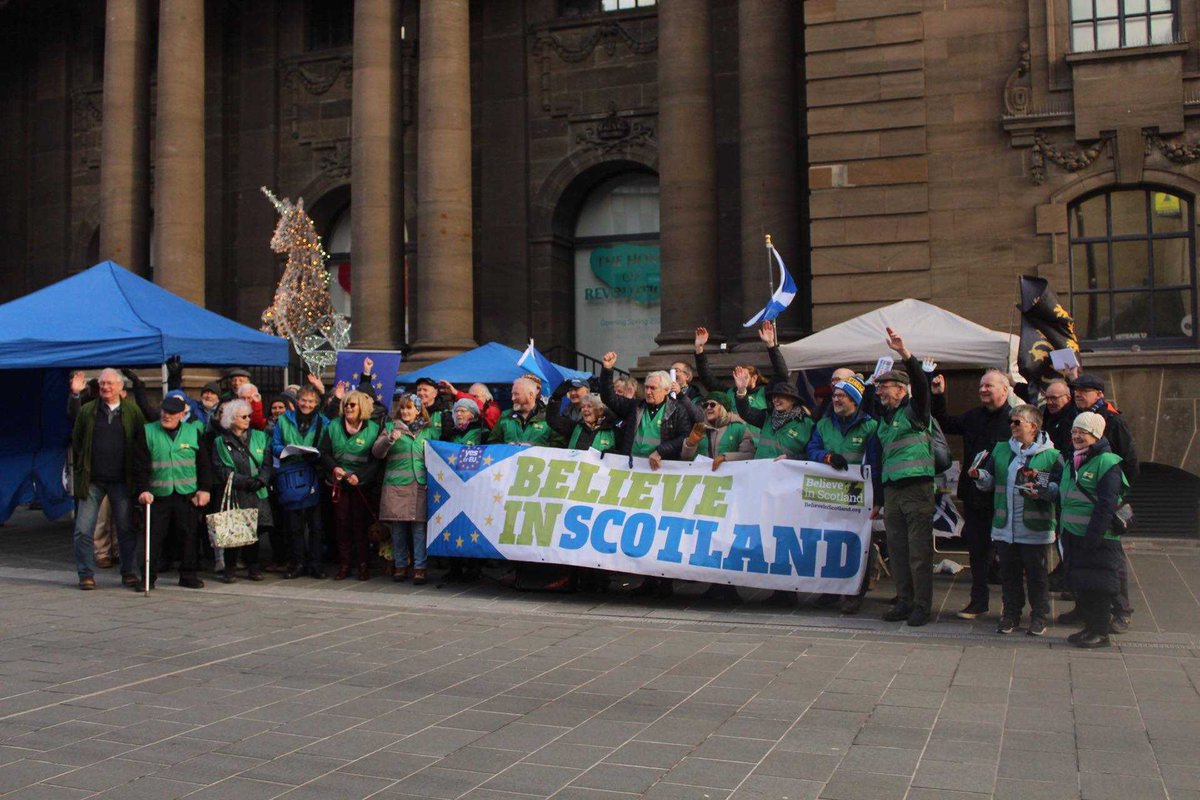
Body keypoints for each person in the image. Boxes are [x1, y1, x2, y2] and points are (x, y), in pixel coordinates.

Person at [600, 352, 699, 598]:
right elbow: (609, 398)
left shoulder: (676, 411)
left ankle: (664, 582)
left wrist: (661, 451)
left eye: (654, 388)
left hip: (662, 476)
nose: (649, 391)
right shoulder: (636, 406)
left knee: (659, 528)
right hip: (635, 475)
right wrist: (607, 370)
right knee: (638, 526)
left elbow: (684, 436)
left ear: (667, 390)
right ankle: (644, 577)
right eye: (647, 387)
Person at [968, 404, 1061, 636]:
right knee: (1009, 575)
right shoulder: (1001, 449)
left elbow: (1059, 489)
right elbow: (990, 481)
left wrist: (1041, 490)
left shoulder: (1051, 455)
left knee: (1036, 576)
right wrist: (980, 476)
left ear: (1033, 426)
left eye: (1017, 422)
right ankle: (1010, 615)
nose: (1012, 425)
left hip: (1034, 528)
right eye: (1011, 421)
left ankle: (1039, 616)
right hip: (1005, 526)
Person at [932, 368, 1014, 620]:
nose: (982, 390)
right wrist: (938, 395)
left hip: (1004, 499)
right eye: (981, 386)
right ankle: (978, 602)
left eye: (988, 385)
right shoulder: (973, 416)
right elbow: (944, 422)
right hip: (975, 497)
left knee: (1009, 555)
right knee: (977, 552)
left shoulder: (1015, 420)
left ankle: (1012, 608)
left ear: (1004, 389)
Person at [1067, 373, 1139, 632]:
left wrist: (1116, 490)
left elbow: (1129, 459)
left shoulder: (1112, 420)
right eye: (1076, 390)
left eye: (1085, 390)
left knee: (1111, 560)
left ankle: (1122, 611)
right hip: (1081, 504)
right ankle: (1084, 607)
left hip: (1105, 497)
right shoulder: (1075, 416)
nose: (1078, 394)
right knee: (1084, 561)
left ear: (1099, 394)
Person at [874, 328, 935, 627]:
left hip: (916, 490)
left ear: (901, 389)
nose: (880, 391)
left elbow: (922, 385)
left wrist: (905, 355)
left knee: (919, 553)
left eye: (886, 386)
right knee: (898, 551)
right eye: (879, 387)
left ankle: (922, 606)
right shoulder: (886, 419)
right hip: (894, 492)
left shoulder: (915, 411)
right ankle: (904, 600)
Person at [807, 375, 882, 614]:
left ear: (854, 400)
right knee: (828, 540)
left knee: (857, 543)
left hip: (856, 495)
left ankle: (853, 592)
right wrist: (826, 457)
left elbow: (874, 463)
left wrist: (877, 497)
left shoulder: (870, 427)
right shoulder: (824, 424)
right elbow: (812, 449)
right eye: (835, 395)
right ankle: (829, 591)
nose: (836, 399)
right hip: (827, 493)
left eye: (841, 396)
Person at [1053, 411, 1128, 648]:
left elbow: (1106, 503)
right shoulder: (1073, 459)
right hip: (1074, 534)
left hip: (1097, 537)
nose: (1076, 436)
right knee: (1083, 582)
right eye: (1074, 431)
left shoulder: (1107, 462)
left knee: (1099, 586)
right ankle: (1089, 627)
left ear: (1096, 434)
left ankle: (1100, 632)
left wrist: (1093, 537)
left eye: (1082, 432)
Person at [69, 368, 147, 589]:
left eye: (110, 384)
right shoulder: (88, 411)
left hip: (122, 480)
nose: (105, 387)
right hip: (92, 481)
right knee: (83, 529)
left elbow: (140, 444)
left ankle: (129, 572)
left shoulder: (132, 411)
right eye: (102, 383)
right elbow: (77, 440)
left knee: (126, 528)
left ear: (121, 387)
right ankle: (85, 574)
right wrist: (74, 395)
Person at [133, 394, 212, 589]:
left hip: (187, 494)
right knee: (153, 537)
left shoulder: (193, 432)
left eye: (171, 413)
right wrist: (143, 490)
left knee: (189, 535)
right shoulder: (147, 431)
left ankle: (188, 574)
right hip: (158, 494)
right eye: (164, 411)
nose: (166, 415)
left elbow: (203, 463)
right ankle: (148, 578)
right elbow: (139, 465)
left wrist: (204, 489)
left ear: (182, 415)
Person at [319, 389, 382, 581]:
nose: (348, 407)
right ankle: (345, 565)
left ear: (361, 407)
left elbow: (376, 460)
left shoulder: (373, 428)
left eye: (352, 404)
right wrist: (335, 468)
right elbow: (324, 452)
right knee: (342, 525)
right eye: (345, 404)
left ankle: (363, 565)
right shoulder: (333, 426)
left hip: (361, 484)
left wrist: (360, 477)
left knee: (360, 525)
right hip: (339, 482)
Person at [373, 394, 434, 585]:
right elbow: (377, 452)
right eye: (403, 408)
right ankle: (400, 565)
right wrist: (389, 440)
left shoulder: (428, 431)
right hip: (396, 486)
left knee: (419, 529)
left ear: (418, 410)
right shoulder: (391, 428)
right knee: (398, 528)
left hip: (419, 485)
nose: (406, 412)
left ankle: (420, 568)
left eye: (410, 408)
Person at [210, 399, 271, 583]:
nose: (247, 419)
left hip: (257, 491)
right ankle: (230, 567)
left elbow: (267, 462)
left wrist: (261, 479)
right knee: (234, 530)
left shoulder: (260, 436)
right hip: (236, 492)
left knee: (255, 532)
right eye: (243, 416)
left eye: (249, 416)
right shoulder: (220, 442)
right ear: (231, 418)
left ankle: (253, 566)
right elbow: (221, 469)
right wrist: (244, 481)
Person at [272, 384, 328, 579]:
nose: (306, 404)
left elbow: (326, 447)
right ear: (297, 401)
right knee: (293, 524)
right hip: (290, 472)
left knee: (316, 525)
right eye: (303, 400)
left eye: (311, 401)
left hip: (313, 473)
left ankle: (316, 564)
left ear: (317, 403)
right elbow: (275, 445)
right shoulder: (283, 420)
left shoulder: (324, 422)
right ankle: (297, 563)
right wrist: (286, 451)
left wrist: (316, 455)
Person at [693, 320, 789, 412]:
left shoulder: (766, 392)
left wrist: (770, 344)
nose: (741, 380)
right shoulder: (729, 393)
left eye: (744, 377)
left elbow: (782, 374)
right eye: (738, 376)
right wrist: (699, 349)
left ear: (754, 378)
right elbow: (707, 378)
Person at [733, 370, 813, 460]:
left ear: (793, 400)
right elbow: (745, 412)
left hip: (787, 472)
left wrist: (791, 458)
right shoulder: (767, 417)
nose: (775, 400)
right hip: (760, 471)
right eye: (774, 397)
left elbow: (812, 454)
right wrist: (741, 390)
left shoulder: (807, 424)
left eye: (780, 396)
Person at [489, 377, 560, 445]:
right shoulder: (505, 416)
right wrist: (506, 447)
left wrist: (534, 447)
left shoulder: (549, 417)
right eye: (512, 394)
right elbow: (492, 443)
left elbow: (559, 446)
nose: (512, 398)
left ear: (531, 395)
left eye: (516, 394)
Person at [547, 386, 619, 453]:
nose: (585, 409)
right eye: (583, 406)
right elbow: (553, 420)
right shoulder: (575, 428)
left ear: (600, 410)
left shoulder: (612, 431)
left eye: (589, 406)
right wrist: (555, 399)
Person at [1040, 378, 1077, 456]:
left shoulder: (1073, 418)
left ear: (1068, 398)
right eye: (1047, 398)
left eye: (1054, 398)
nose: (1049, 402)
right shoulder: (1046, 414)